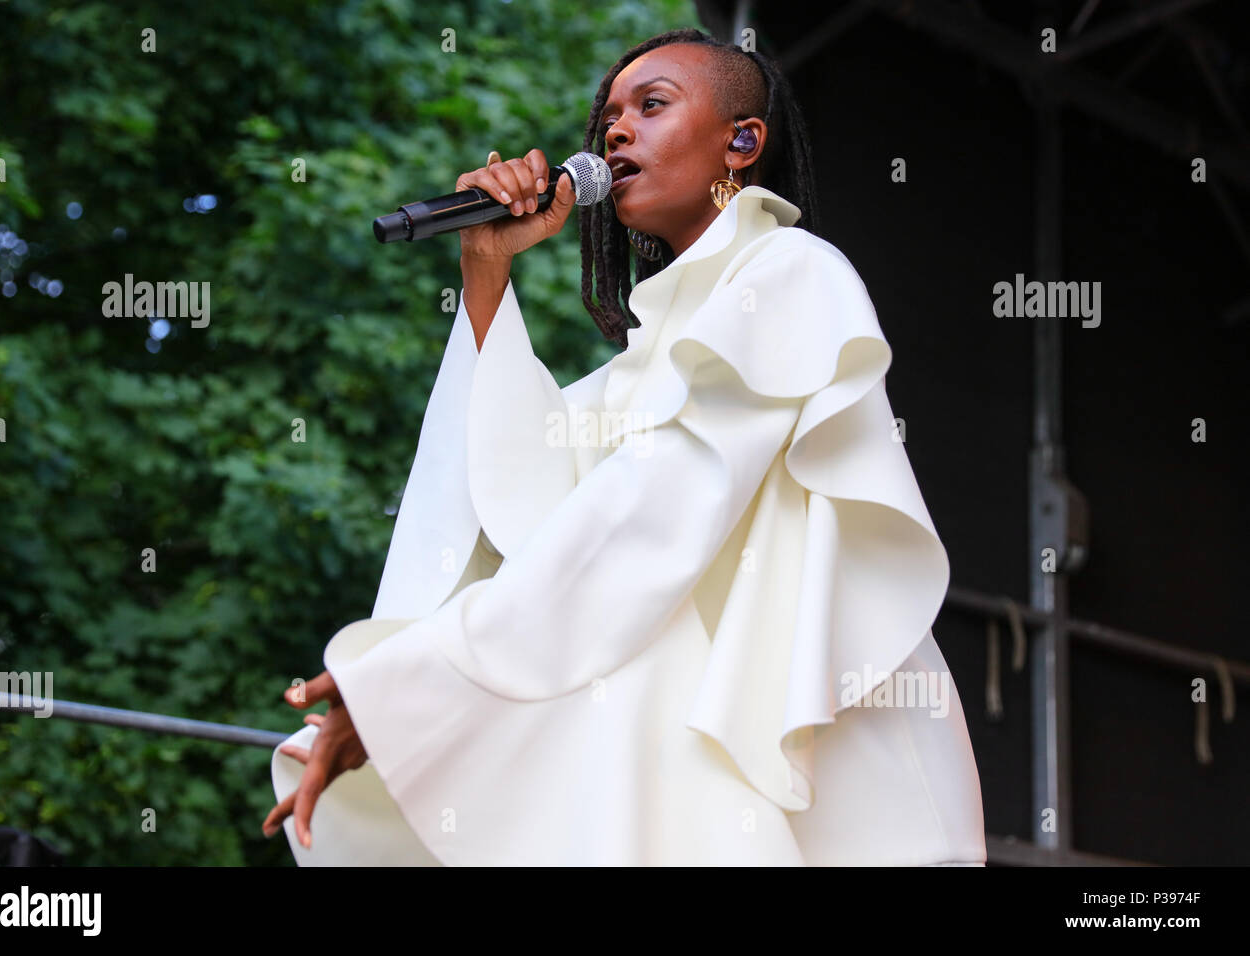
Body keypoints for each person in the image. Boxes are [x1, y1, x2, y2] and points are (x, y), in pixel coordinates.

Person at [262, 28, 987, 866]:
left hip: (850, 799)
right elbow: (531, 511)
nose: (614, 131)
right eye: (607, 116)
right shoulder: (641, 365)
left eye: (651, 105)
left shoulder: (792, 273)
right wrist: (487, 267)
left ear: (742, 141)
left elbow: (648, 515)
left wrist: (421, 683)